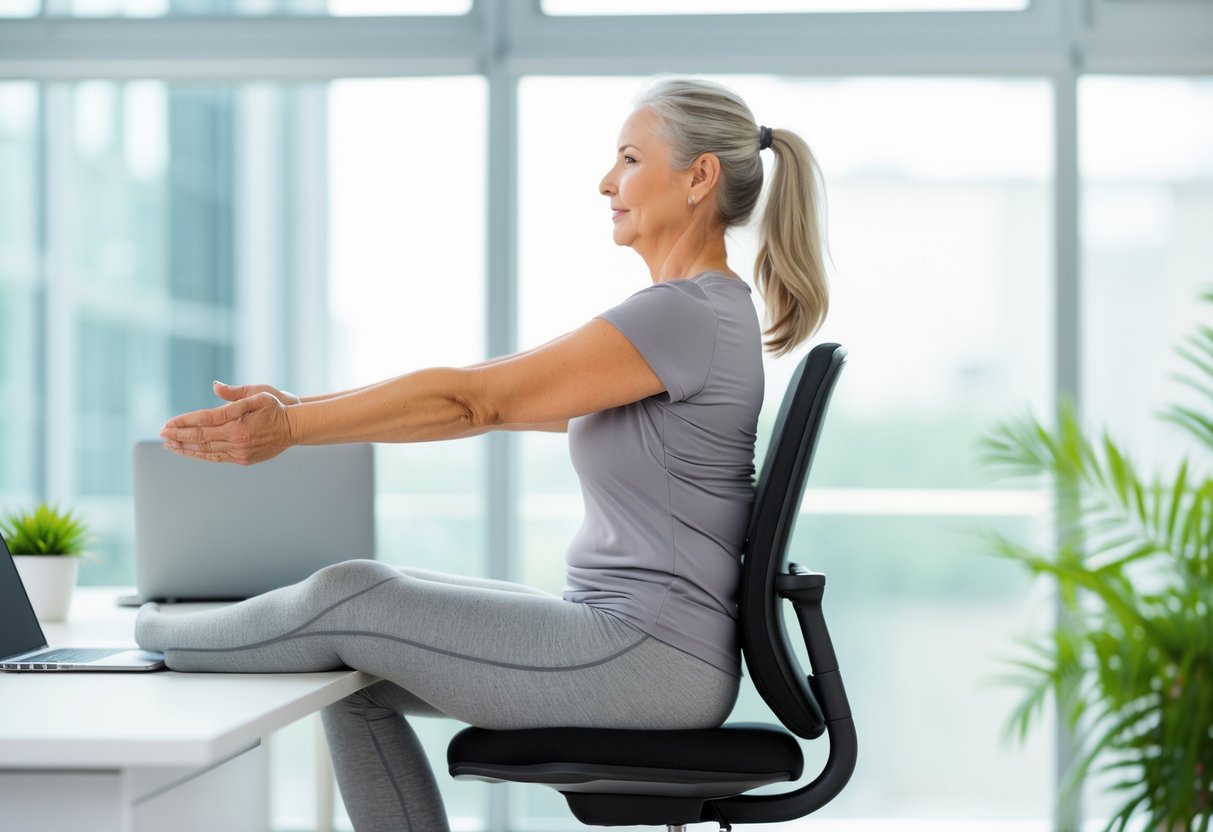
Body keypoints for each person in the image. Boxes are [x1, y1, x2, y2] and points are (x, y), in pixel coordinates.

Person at [135, 77, 829, 832]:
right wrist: (300, 411)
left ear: (698, 177)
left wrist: (292, 431)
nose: (606, 182)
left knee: (352, 594)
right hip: (636, 639)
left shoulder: (683, 313)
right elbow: (487, 403)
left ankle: (142, 637)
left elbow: (476, 400)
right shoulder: (696, 313)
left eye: (629, 158)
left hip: (645, 654)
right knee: (362, 668)